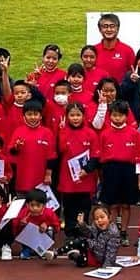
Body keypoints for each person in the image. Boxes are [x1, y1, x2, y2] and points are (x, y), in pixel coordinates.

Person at [56, 101, 99, 239]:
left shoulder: (90, 133)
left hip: (85, 178)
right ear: (67, 116)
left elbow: (96, 155)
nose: (75, 118)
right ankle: (70, 234)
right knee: (69, 208)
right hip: (68, 179)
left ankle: (83, 232)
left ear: (83, 116)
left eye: (78, 115)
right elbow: (61, 150)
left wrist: (87, 169)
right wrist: (61, 131)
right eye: (72, 115)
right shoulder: (63, 132)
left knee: (84, 207)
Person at [99, 100, 138, 246]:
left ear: (126, 116)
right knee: (113, 205)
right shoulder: (105, 134)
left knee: (126, 205)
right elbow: (101, 157)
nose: (117, 118)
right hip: (110, 170)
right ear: (110, 116)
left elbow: (137, 154)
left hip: (128, 170)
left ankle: (123, 232)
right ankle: (113, 231)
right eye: (114, 115)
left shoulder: (134, 133)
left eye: (120, 116)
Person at [7, 100, 56, 197]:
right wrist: (16, 147)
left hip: (41, 181)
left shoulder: (47, 133)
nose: (33, 117)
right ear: (24, 116)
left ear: (40, 116)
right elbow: (11, 152)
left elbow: (51, 157)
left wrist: (48, 175)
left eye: (35, 114)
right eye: (29, 114)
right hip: (22, 179)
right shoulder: (18, 131)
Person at [62, 204, 120, 268]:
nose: (99, 220)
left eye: (102, 217)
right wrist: (81, 224)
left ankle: (77, 256)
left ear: (109, 217)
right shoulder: (95, 226)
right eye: (96, 219)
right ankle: (56, 252)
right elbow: (88, 233)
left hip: (101, 258)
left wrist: (106, 266)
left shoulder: (113, 234)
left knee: (81, 262)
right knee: (78, 241)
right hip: (93, 251)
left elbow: (111, 253)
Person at [12, 188, 60, 260]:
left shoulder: (49, 213)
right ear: (27, 205)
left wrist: (47, 225)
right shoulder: (23, 213)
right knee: (24, 229)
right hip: (28, 239)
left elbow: (57, 227)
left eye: (38, 205)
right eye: (32, 205)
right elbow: (14, 229)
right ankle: (26, 249)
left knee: (50, 229)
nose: (35, 208)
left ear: (44, 205)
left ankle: (45, 249)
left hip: (43, 237)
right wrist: (20, 224)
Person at [94, 13, 135, 82]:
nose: (109, 29)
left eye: (112, 26)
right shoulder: (94, 50)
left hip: (121, 92)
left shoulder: (127, 50)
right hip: (98, 92)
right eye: (105, 26)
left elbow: (133, 74)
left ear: (117, 28)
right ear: (100, 29)